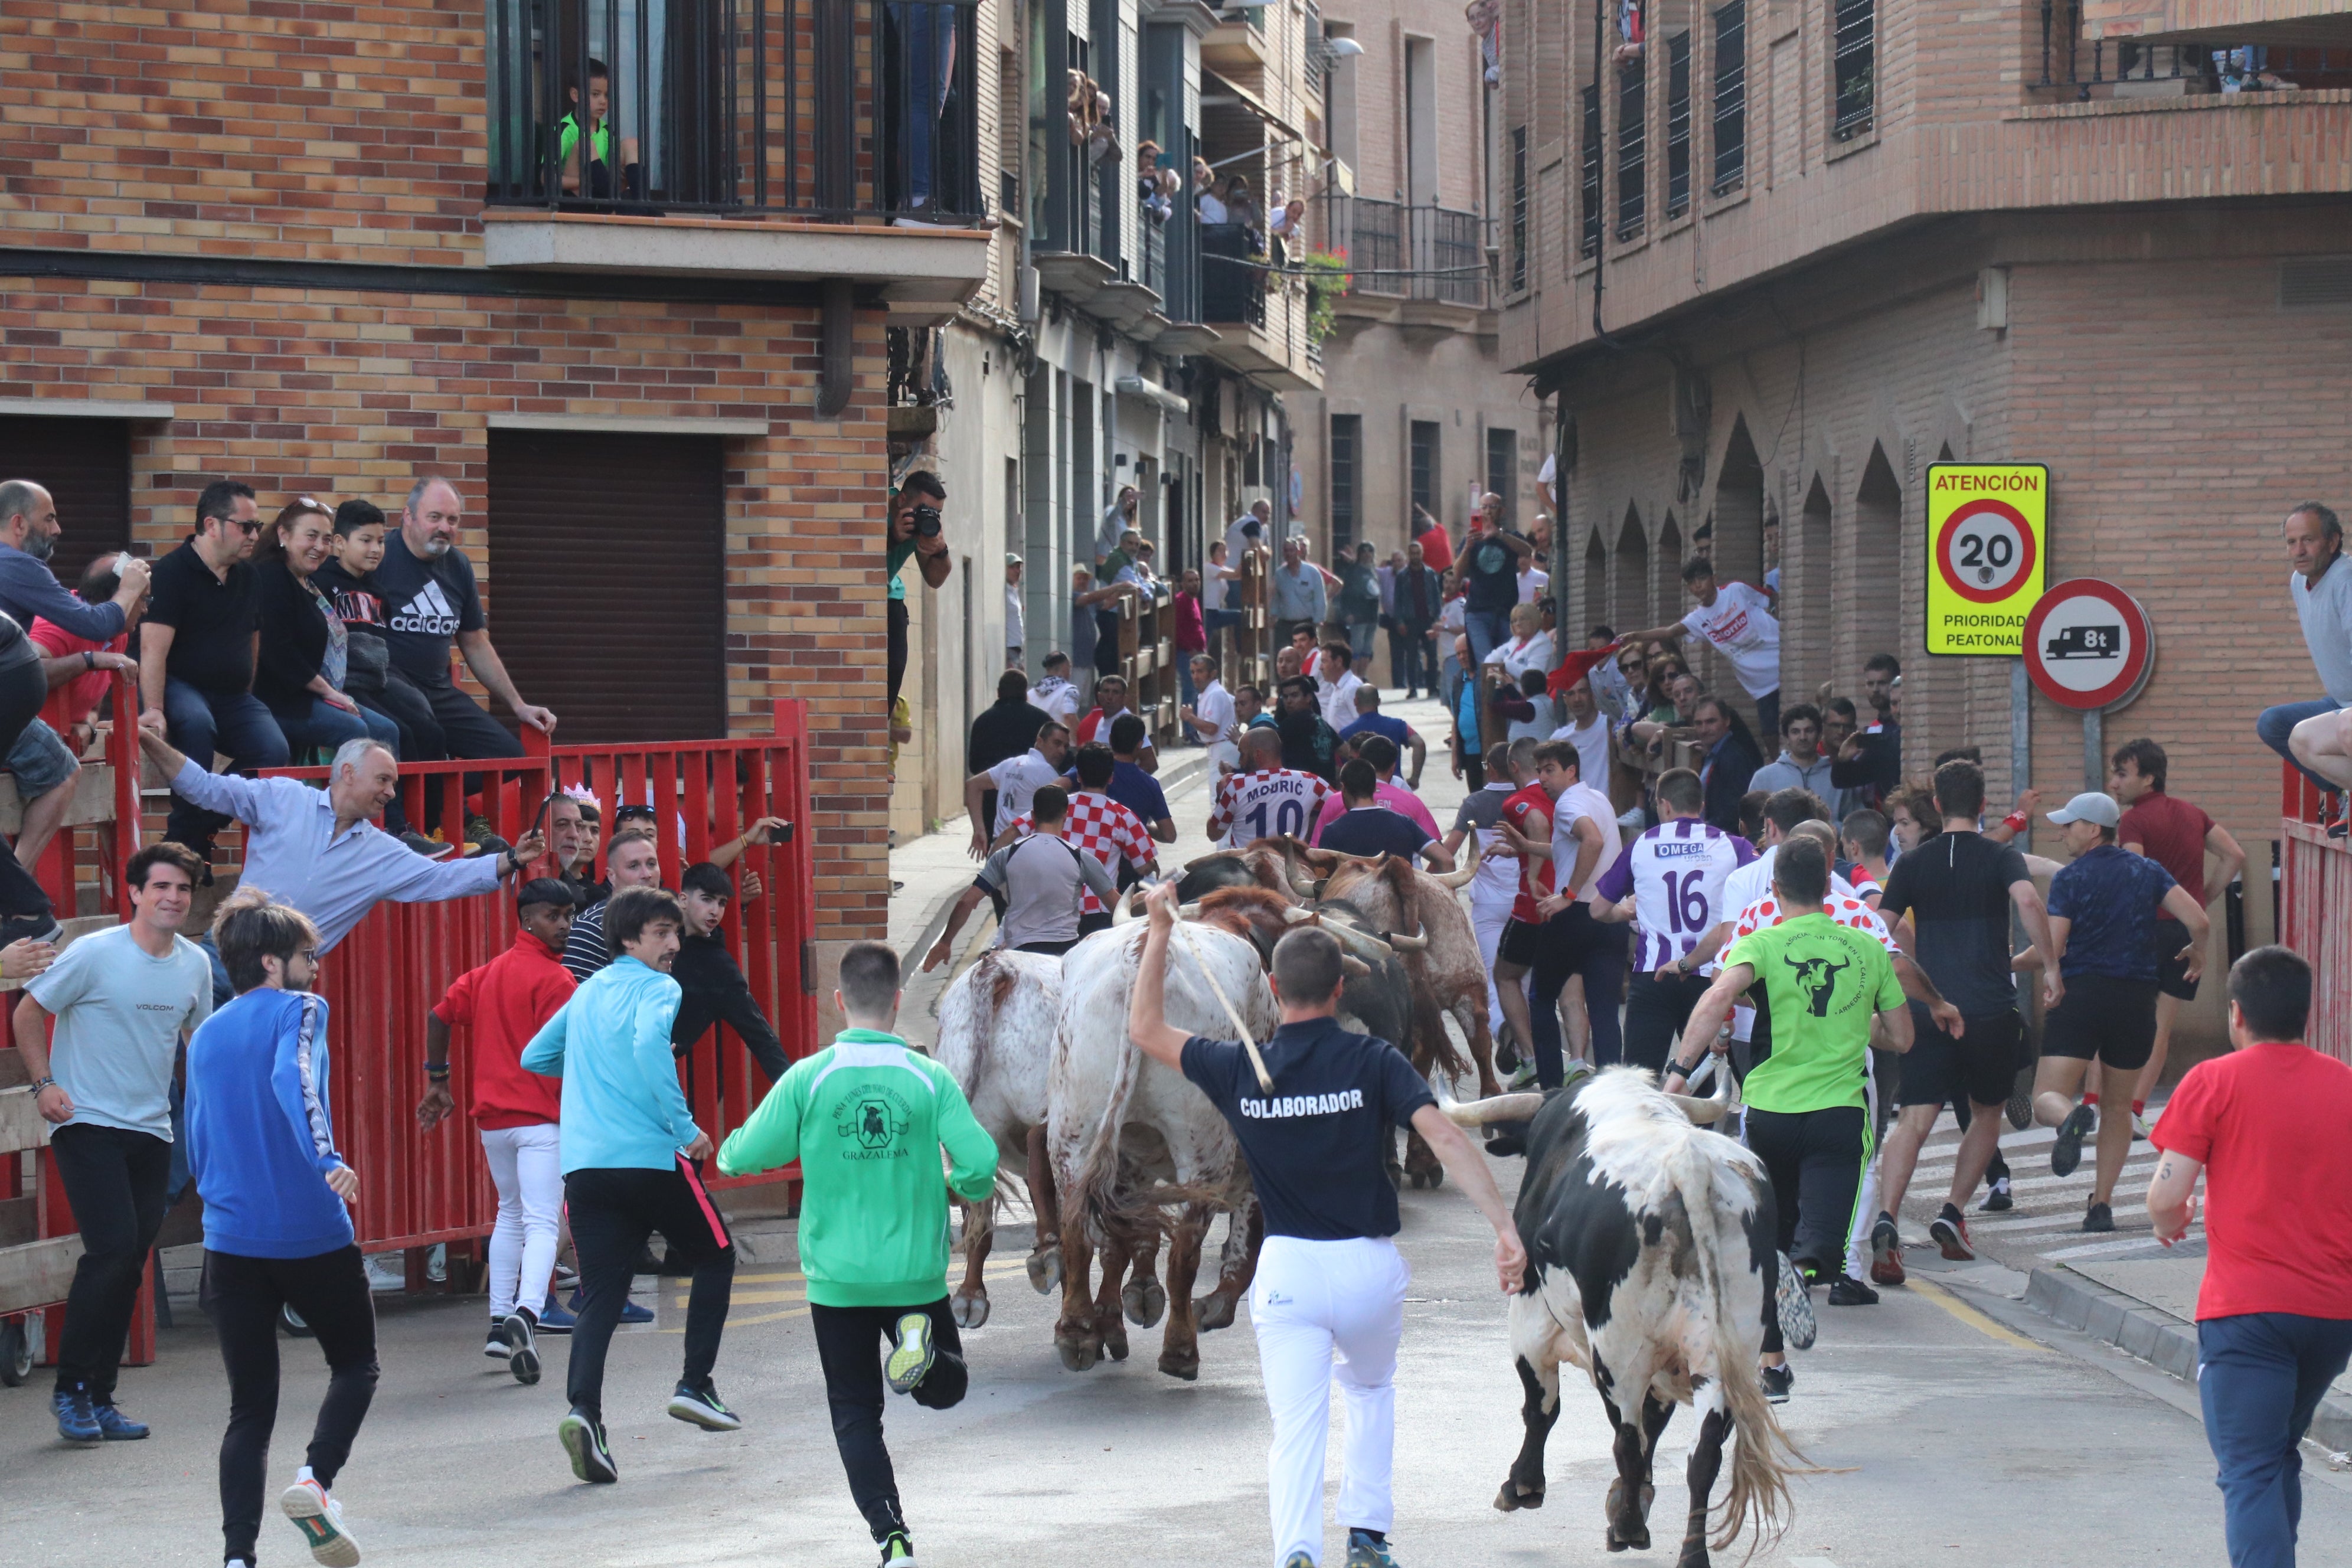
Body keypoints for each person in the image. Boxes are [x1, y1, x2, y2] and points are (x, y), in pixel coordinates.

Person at [1128, 881, 1523, 1568]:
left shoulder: (1239, 1066)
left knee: (1296, 1428)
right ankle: (1367, 1538)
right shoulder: (1374, 1060)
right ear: (1341, 989)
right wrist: (1505, 1229)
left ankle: (1297, 1553)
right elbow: (1451, 1141)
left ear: (1274, 987)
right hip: (1369, 1269)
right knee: (1370, 1392)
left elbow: (1145, 1031)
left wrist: (1161, 929)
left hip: (1288, 1274)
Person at [717, 941, 997, 1568]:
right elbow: (980, 1164)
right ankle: (919, 1356)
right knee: (945, 1390)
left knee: (854, 1412)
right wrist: (965, 1186)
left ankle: (891, 1537)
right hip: (913, 1278)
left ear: (839, 1002)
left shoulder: (809, 1077)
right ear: (899, 1002)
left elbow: (741, 1156)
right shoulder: (930, 1078)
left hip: (837, 1278)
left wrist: (736, 1147)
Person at [1672, 838, 1912, 1401]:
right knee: (1818, 1253)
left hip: (1768, 1117)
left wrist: (1677, 1079)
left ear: (1774, 889)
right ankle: (1801, 1277)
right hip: (1838, 1119)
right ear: (1830, 886)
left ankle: (1772, 1366)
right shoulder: (1866, 945)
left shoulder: (1759, 942)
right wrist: (1856, 1027)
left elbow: (1715, 1001)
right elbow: (1902, 1036)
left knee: (1771, 1244)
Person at [522, 886, 741, 1482]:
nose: (674, 944)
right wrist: (686, 1125)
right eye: (661, 933)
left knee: (601, 1293)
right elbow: (649, 1045)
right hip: (649, 1156)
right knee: (718, 1257)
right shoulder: (659, 988)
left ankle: (583, 1413)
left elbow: (535, 1056)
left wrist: (594, 1069)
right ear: (627, 939)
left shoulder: (587, 991)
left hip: (586, 1167)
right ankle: (696, 1384)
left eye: (676, 932)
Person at [185, 888, 375, 1568]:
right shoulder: (300, 1009)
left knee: (250, 1410)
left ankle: (239, 1556)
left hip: (229, 1239)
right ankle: (315, 1482)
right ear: (272, 962)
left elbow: (197, 1134)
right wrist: (326, 1156)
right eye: (307, 955)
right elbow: (295, 1082)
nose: (315, 968)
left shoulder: (207, 1028)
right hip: (309, 1229)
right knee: (355, 1364)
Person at [2145, 945, 2352, 1568]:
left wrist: (2170, 1219)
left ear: (2236, 1014)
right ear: (2305, 1015)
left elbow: (2166, 1192)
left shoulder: (2213, 1080)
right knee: (2278, 1449)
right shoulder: (2346, 1085)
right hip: (2331, 1315)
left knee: (2250, 1468)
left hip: (2247, 1314)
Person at [19, 842, 211, 1443]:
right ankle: (71, 1389)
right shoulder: (94, 953)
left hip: (152, 1129)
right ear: (134, 892)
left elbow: (197, 1046)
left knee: (129, 1263)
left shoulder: (194, 964)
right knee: (111, 1249)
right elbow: (27, 1011)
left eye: (182, 889)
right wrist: (44, 1084)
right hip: (86, 1120)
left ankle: (99, 1396)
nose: (172, 898)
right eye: (160, 887)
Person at [1868, 761, 2060, 1278]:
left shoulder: (1911, 865)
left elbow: (1880, 929)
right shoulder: (2001, 856)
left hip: (1929, 1006)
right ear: (1982, 806)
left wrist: (1878, 990)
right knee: (1987, 1111)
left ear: (1936, 805)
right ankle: (1952, 1212)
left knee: (1915, 1117)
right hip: (1990, 1009)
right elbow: (2027, 901)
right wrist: (2052, 967)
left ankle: (1885, 1218)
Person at [139, 726, 543, 955]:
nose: (390, 793)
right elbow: (206, 788)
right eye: (383, 780)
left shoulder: (382, 852)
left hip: (284, 978)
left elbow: (442, 879)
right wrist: (147, 740)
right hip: (224, 949)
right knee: (175, 1052)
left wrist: (512, 859)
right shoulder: (283, 797)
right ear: (348, 773)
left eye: (394, 785)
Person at [414, 877, 579, 1386]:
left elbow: (439, 1015)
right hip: (541, 1121)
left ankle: (496, 1323)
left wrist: (437, 1079)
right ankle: (527, 1315)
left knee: (509, 1215)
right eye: (555, 916)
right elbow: (572, 1056)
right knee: (543, 1221)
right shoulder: (558, 983)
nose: (565, 925)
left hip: (494, 1124)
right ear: (526, 919)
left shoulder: (485, 975)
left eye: (569, 915)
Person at [2036, 790, 2211, 1231]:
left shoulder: (2071, 879)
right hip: (2136, 1000)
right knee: (2118, 1108)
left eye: (2069, 824)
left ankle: (2070, 1118)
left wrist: (2039, 969)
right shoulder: (2147, 870)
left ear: (2093, 829)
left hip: (2082, 995)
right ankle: (2101, 1206)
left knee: (2045, 1098)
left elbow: (2053, 948)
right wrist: (2198, 952)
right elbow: (2199, 921)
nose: (2063, 833)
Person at [139, 479, 288, 864]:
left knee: (273, 750)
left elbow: (252, 640)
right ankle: (186, 843)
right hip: (180, 685)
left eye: (258, 526)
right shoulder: (172, 572)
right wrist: (154, 707)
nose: (255, 535)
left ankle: (193, 829)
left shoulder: (249, 576)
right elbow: (152, 648)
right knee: (195, 724)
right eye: (246, 526)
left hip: (232, 695)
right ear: (211, 525)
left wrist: (247, 689)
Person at [371, 479, 556, 773]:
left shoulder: (458, 566)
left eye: (452, 520)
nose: (445, 527)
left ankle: (441, 799)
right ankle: (423, 806)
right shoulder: (379, 559)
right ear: (408, 516)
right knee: (423, 732)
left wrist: (519, 706)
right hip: (386, 688)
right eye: (435, 517)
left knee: (509, 759)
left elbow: (475, 642)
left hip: (437, 690)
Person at [2113, 737, 2246, 1132]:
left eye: (2122, 774)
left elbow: (2134, 874)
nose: (2114, 783)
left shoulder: (2133, 820)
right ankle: (2135, 1111)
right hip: (2183, 933)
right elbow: (2235, 855)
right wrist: (2201, 898)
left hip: (2143, 930)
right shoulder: (2193, 813)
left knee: (2122, 1021)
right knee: (2161, 1025)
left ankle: (2105, 1107)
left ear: (2149, 778)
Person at [1589, 766, 1753, 1074]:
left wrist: (1626, 911)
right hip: (1710, 975)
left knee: (1639, 1078)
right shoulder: (1735, 847)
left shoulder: (1641, 845)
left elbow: (1598, 910)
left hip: (1653, 975)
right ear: (1701, 805)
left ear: (1664, 804)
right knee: (1695, 1080)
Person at [254, 497, 406, 771]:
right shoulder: (272, 577)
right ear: (283, 535)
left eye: (325, 539)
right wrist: (331, 693)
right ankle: (342, 811)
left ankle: (387, 814)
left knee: (387, 731)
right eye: (311, 537)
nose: (320, 547)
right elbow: (278, 652)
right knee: (355, 730)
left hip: (309, 694)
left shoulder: (306, 582)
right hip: (279, 700)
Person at [1500, 742, 1622, 1081]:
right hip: (1608, 916)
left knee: (1540, 999)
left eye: (1550, 770)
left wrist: (1568, 894)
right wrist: (1526, 848)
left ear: (1571, 771)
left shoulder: (1568, 802)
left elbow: (1592, 842)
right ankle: (1614, 1092)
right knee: (1604, 1013)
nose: (1542, 779)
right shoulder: (1598, 799)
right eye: (1539, 771)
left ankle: (1552, 1087)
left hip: (1575, 918)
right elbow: (1571, 846)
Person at [312, 499, 440, 793]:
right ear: (340, 543)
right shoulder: (320, 582)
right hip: (342, 684)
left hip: (377, 682)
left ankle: (434, 820)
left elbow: (381, 649)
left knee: (430, 730)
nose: (375, 549)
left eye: (381, 541)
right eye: (366, 540)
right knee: (398, 732)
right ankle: (398, 821)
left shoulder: (379, 591)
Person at [924, 787, 1115, 967]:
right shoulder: (1081, 858)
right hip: (1063, 953)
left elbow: (967, 902)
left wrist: (945, 942)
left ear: (1033, 815)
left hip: (1017, 953)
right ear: (1065, 816)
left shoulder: (1006, 855)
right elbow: (1116, 906)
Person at [1619, 556, 1783, 741]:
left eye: (1702, 579)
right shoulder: (1698, 618)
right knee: (1770, 734)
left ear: (1713, 578)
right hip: (1761, 685)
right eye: (1692, 583)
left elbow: (1770, 598)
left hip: (1782, 665)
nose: (1698, 586)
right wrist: (1636, 636)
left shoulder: (1736, 590)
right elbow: (1669, 631)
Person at [999, 744, 1158, 930]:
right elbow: (1143, 866)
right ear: (1111, 778)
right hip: (1098, 914)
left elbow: (1011, 832)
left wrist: (996, 874)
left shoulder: (1058, 806)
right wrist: (1153, 865)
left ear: (1079, 776)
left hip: (1050, 911)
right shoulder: (1123, 817)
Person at [2260, 503, 2351, 803]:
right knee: (2274, 724)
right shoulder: (2299, 582)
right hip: (2340, 702)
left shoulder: (2346, 581)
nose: (2299, 550)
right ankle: (2342, 793)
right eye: (2291, 542)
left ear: (2333, 541)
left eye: (2308, 540)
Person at [671, 860, 792, 1084]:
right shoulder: (655, 932)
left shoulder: (719, 967)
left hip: (670, 1069)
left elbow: (760, 1037)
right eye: (707, 900)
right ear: (683, 900)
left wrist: (797, 1093)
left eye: (722, 903)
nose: (715, 911)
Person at [882, 472, 953, 710]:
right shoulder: (877, 505)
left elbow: (935, 579)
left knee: (892, 674)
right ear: (902, 500)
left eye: (936, 513)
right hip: (862, 596)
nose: (929, 517)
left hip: (890, 597)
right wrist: (892, 537)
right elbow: (855, 556)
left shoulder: (922, 527)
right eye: (925, 509)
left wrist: (940, 550)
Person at [562, 825, 664, 981]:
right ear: (612, 876)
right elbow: (577, 999)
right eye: (634, 866)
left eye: (651, 864)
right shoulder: (592, 927)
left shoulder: (669, 922)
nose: (647, 874)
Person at [1315, 759, 1453, 871]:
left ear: (1343, 788)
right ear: (1375, 787)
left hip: (1349, 904)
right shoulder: (1405, 823)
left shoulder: (1332, 831)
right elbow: (1446, 861)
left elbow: (1323, 881)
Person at [961, 720, 1069, 858]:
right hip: (1026, 852)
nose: (1062, 751)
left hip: (999, 848)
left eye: (1066, 747)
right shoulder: (1046, 772)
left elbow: (973, 785)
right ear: (1040, 742)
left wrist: (979, 830)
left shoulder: (1011, 764)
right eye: (1057, 743)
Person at [1209, 727, 1332, 849]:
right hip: (1292, 865)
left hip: (1248, 866)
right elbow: (1342, 805)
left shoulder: (1236, 785)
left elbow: (1214, 834)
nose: (1240, 761)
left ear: (1257, 754)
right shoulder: (1310, 782)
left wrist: (1220, 797)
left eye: (1242, 754)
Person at [1309, 734, 1439, 845]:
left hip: (1351, 873)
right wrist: (1422, 875)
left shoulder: (1336, 800)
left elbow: (1316, 852)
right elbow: (1442, 857)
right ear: (1392, 767)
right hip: (1405, 872)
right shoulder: (1411, 801)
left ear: (1362, 763)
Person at [1455, 503, 1534, 667]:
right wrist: (1467, 549)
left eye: (1493, 506)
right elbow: (1457, 574)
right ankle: (1487, 691)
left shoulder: (1512, 537)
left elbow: (1527, 551)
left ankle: (1501, 691)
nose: (1488, 510)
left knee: (1509, 660)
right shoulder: (1472, 540)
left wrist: (1499, 535)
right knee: (1487, 661)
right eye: (1484, 507)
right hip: (1478, 611)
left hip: (1507, 612)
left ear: (1502, 510)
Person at [558, 56, 643, 199]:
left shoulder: (607, 131)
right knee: (585, 144)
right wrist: (589, 182)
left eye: (607, 95)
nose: (603, 101)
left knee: (631, 144)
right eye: (596, 94)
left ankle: (640, 201)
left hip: (602, 194)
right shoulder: (564, 128)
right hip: (575, 197)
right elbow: (546, 180)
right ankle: (616, 203)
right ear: (575, 95)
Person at [966, 669, 1051, 803]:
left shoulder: (982, 722)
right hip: (1031, 797)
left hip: (991, 798)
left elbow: (974, 765)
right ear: (1025, 693)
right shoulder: (1042, 721)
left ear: (998, 692)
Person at [1690, 695, 1761, 833]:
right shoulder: (1712, 753)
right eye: (1699, 723)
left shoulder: (1733, 757)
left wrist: (1705, 830)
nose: (1704, 729)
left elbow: (1735, 809)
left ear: (1727, 721)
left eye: (1711, 722)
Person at [1749, 703, 1838, 806]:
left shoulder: (1837, 776)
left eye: (1809, 731)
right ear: (1787, 738)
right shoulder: (1764, 778)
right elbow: (1751, 819)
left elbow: (1851, 819)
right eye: (1796, 732)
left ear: (1819, 735)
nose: (1803, 737)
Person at [1337, 687, 1426, 788]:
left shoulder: (1345, 733)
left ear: (1355, 701)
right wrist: (1415, 778)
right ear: (1379, 702)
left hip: (1361, 792)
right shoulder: (1397, 725)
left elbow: (1339, 766)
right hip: (1394, 787)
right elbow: (1419, 743)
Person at [1389, 542, 1441, 699]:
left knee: (1432, 655)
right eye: (1412, 553)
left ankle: (1432, 687)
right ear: (1409, 555)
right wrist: (1399, 622)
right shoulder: (1402, 576)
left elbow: (1436, 597)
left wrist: (1437, 619)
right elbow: (1397, 601)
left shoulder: (1430, 574)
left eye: (1418, 553)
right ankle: (1413, 688)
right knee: (1411, 656)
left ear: (1422, 554)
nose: (1415, 556)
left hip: (1428, 619)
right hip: (1410, 620)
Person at [1074, 672, 1157, 772]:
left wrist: (1125, 781)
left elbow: (1151, 764)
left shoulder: (1129, 724)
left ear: (1124, 698)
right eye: (1106, 691)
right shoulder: (1101, 721)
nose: (1110, 697)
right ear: (1099, 696)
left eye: (1115, 692)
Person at [1547, 674, 1610, 799]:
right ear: (1565, 700)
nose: (1577, 699)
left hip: (1606, 807)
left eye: (1582, 692)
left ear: (1592, 695)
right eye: (1571, 694)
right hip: (1574, 809)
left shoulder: (1608, 726)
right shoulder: (1559, 739)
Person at [1274, 675, 1341, 784]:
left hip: (1301, 789)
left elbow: (1267, 748)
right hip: (1326, 790)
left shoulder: (1292, 723)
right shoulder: (1322, 722)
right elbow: (1346, 750)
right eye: (1285, 697)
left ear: (1309, 698)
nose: (1289, 701)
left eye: (1294, 695)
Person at [1182, 653, 1239, 770]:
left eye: (1200, 672)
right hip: (1220, 748)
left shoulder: (1215, 694)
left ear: (1213, 673)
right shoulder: (1211, 693)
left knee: (1219, 788)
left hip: (1222, 750)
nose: (1195, 677)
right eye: (1193, 672)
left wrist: (1190, 717)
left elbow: (1211, 729)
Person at [1270, 536, 1327, 644]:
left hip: (1306, 624)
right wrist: (1273, 615)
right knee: (1284, 657)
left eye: (1292, 550)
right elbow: (1276, 597)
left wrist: (1318, 621)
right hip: (1285, 625)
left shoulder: (1312, 572)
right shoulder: (1279, 574)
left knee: (1307, 658)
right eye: (1286, 551)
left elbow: (1320, 598)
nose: (1289, 554)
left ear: (1298, 551)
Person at [1336, 543, 1382, 669]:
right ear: (1360, 554)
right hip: (1358, 616)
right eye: (1364, 552)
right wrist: (1347, 613)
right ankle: (1354, 678)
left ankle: (1362, 678)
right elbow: (1345, 594)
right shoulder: (1353, 571)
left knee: (1367, 650)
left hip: (1372, 616)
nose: (1367, 555)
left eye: (1370, 552)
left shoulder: (1373, 571)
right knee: (1356, 649)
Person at [1172, 568, 1207, 720]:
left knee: (1198, 690)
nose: (1194, 584)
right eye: (1190, 581)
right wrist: (1190, 649)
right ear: (1182, 583)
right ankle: (1189, 730)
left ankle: (1196, 727)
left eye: (1197, 580)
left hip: (1198, 653)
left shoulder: (1194, 599)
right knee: (1190, 690)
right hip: (1187, 654)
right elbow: (1177, 628)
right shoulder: (1181, 600)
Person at [1203, 540, 1244, 659]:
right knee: (1203, 647)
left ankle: (1240, 652)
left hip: (1215, 612)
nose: (1223, 553)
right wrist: (1245, 558)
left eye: (1225, 550)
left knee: (1240, 616)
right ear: (1213, 554)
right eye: (1220, 550)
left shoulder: (1222, 569)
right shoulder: (1209, 568)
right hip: (1207, 612)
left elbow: (1239, 575)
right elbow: (1236, 575)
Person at [1315, 642, 1364, 733]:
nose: (1320, 667)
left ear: (1338, 662)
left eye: (1324, 662)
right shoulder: (1337, 687)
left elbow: (1362, 723)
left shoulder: (1352, 687)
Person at [1026, 651, 1082, 728]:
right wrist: (1075, 739)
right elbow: (1069, 716)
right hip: (1060, 738)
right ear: (1064, 668)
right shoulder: (1069, 691)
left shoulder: (1030, 694)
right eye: (1070, 667)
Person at [1095, 484, 1140, 564]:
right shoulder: (1112, 510)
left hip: (1121, 558)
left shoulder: (1129, 520)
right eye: (1128, 496)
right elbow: (1110, 521)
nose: (1131, 500)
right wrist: (1122, 503)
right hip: (1107, 555)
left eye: (1133, 497)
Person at [1003, 553, 1025, 668]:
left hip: (1017, 647)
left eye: (1019, 567)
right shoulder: (1003, 591)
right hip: (1008, 647)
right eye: (1012, 567)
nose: (1017, 571)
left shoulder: (1014, 591)